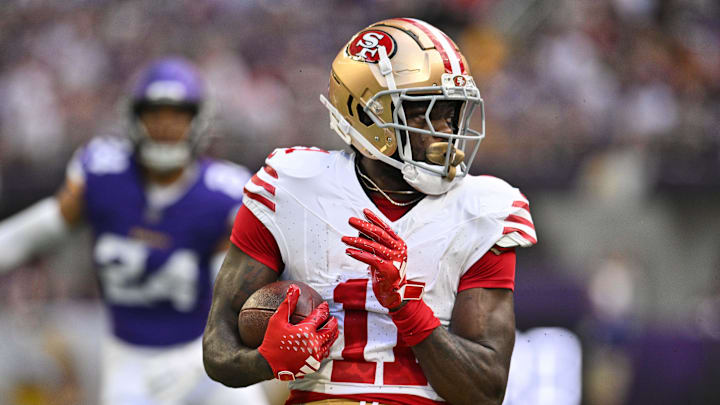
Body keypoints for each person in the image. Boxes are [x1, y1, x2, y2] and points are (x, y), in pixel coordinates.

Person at [203, 18, 537, 405]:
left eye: (451, 114)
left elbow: (486, 391)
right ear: (367, 115)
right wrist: (266, 360)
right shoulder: (291, 186)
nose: (446, 132)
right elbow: (217, 350)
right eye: (424, 114)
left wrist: (406, 306)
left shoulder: (482, 209)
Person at [0, 57, 269, 405]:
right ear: (134, 116)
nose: (165, 125)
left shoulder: (224, 192)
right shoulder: (102, 174)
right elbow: (32, 234)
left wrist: (201, 356)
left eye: (177, 115)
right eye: (154, 113)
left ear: (198, 120)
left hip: (204, 351)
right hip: (130, 358)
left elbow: (235, 290)